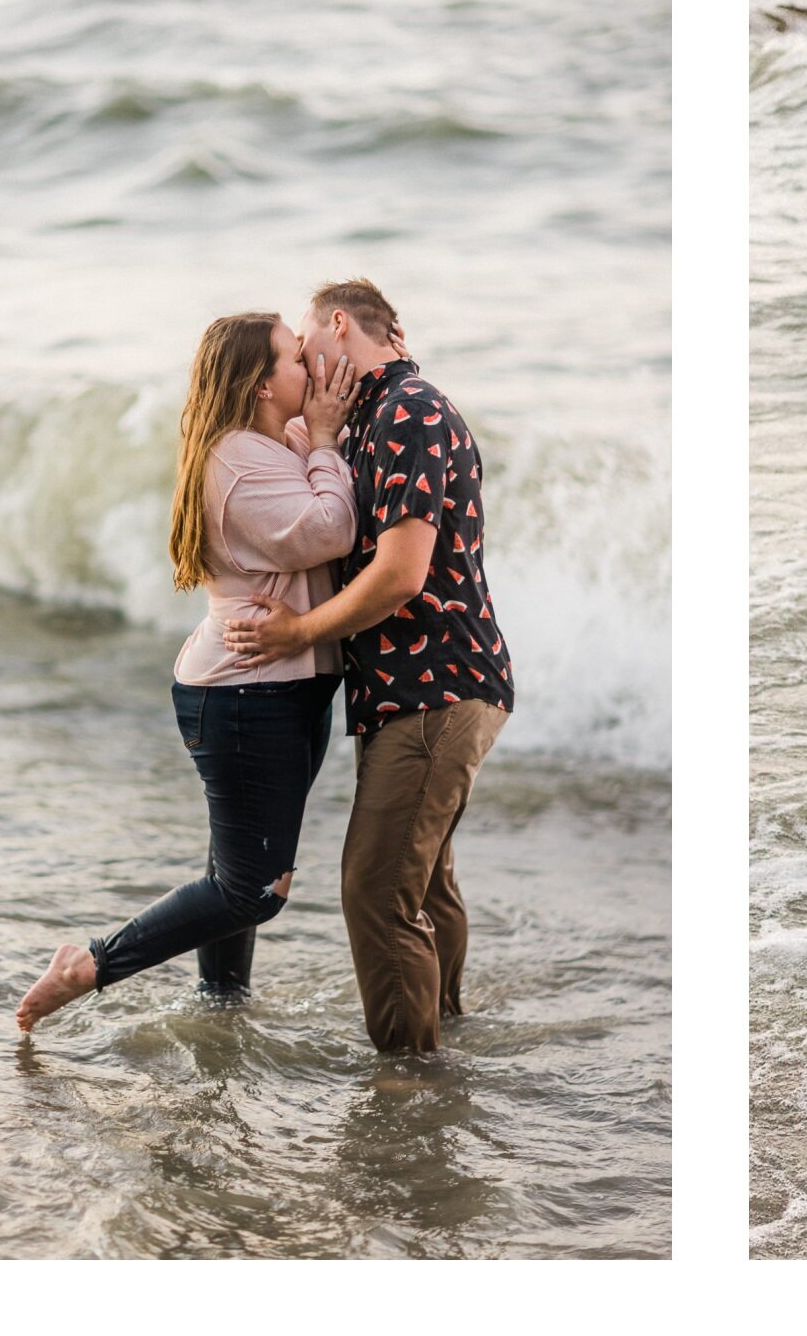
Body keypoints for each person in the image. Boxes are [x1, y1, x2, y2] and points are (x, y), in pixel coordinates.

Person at [16, 312, 361, 1030]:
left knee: (248, 877)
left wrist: (328, 423)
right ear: (263, 383)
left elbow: (324, 475)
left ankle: (220, 1005)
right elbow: (331, 528)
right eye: (299, 359)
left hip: (283, 687)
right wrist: (326, 437)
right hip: (245, 694)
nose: (313, 369)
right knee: (252, 890)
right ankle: (90, 963)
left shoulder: (271, 440)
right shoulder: (237, 457)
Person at [222, 279, 514, 1053]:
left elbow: (401, 574)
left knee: (374, 891)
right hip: (424, 688)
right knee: (422, 885)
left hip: (435, 688)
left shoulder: (408, 410)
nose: (307, 364)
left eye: (307, 344)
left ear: (339, 326)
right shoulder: (373, 416)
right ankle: (444, 1045)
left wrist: (297, 633)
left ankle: (408, 1085)